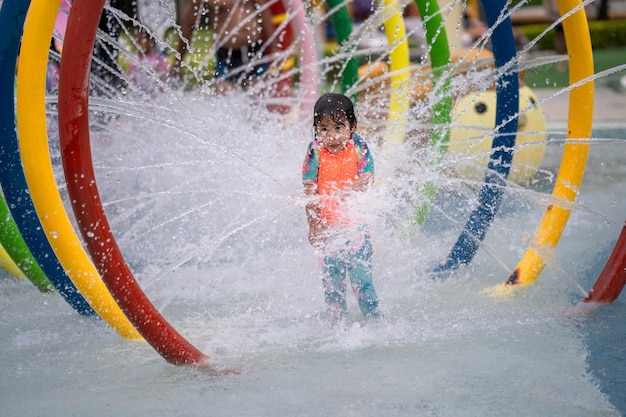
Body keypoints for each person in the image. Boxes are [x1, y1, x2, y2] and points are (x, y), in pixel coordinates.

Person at [302, 93, 381, 321]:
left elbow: (367, 178)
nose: (332, 136)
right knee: (333, 288)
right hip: (327, 229)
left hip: (356, 228)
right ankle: (337, 330)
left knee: (362, 283)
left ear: (352, 126)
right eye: (324, 129)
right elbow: (309, 191)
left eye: (338, 127)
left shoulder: (359, 146)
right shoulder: (315, 151)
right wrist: (313, 226)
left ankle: (375, 324)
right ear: (316, 128)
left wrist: (346, 191)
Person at [172, 0, 275, 90]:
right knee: (224, 94)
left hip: (253, 50)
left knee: (258, 95)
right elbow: (189, 25)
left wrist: (274, 50)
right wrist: (178, 62)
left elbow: (264, 13)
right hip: (226, 54)